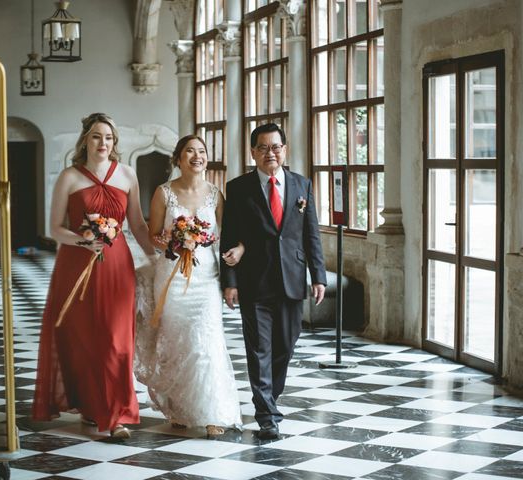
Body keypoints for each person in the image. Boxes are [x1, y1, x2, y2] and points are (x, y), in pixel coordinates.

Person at [32, 113, 156, 439]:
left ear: (115, 143)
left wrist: (157, 258)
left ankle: (115, 417)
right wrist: (84, 239)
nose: (104, 143)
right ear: (85, 140)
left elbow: (139, 225)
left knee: (117, 343)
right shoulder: (69, 178)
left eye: (109, 138)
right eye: (97, 137)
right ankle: (90, 405)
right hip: (75, 265)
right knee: (83, 341)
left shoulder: (128, 175)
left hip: (116, 266)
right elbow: (55, 228)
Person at [220, 123, 327, 440]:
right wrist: (230, 281)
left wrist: (318, 276)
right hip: (254, 281)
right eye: (263, 147)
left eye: (276, 146)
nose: (271, 153)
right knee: (258, 350)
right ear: (253, 152)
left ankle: (270, 399)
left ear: (285, 149)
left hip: (292, 280)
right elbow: (230, 236)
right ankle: (266, 413)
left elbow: (311, 235)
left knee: (284, 347)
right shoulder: (239, 188)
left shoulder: (301, 185)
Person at [134, 135, 243, 437]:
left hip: (206, 278)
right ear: (179, 159)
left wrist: (222, 247)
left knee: (206, 343)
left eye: (202, 151)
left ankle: (212, 413)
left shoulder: (215, 195)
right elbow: (153, 234)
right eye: (190, 152)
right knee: (176, 342)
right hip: (171, 276)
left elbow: (227, 233)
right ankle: (179, 409)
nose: (197, 156)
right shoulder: (164, 193)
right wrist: (174, 241)